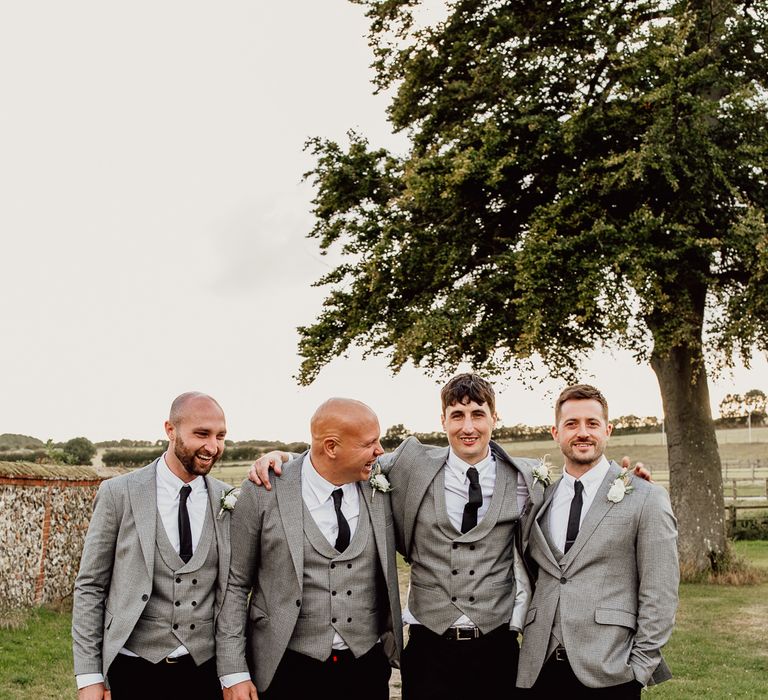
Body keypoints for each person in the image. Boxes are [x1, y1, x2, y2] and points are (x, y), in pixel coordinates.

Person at [251, 374, 543, 700]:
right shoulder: (410, 463)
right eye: (457, 416)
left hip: (497, 646)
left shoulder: (526, 477)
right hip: (429, 646)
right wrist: (287, 458)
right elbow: (343, 458)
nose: (468, 427)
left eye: (478, 414)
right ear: (442, 420)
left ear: (494, 417)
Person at [215, 398, 402, 700]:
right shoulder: (264, 490)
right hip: (288, 667)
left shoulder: (379, 479)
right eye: (369, 443)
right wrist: (233, 670)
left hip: (366, 666)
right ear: (331, 447)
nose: (379, 450)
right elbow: (235, 584)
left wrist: (285, 453)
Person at [516, 384, 679, 697]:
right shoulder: (539, 498)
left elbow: (660, 591)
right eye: (571, 424)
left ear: (608, 430)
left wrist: (640, 667)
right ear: (555, 432)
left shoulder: (646, 498)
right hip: (539, 668)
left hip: (610, 672)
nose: (582, 433)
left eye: (592, 424)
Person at [72, 392, 232, 700]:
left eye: (220, 436)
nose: (212, 447)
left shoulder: (229, 500)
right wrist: (90, 677)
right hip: (133, 669)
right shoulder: (118, 493)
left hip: (205, 670)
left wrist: (280, 457)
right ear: (170, 430)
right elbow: (90, 586)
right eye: (201, 434)